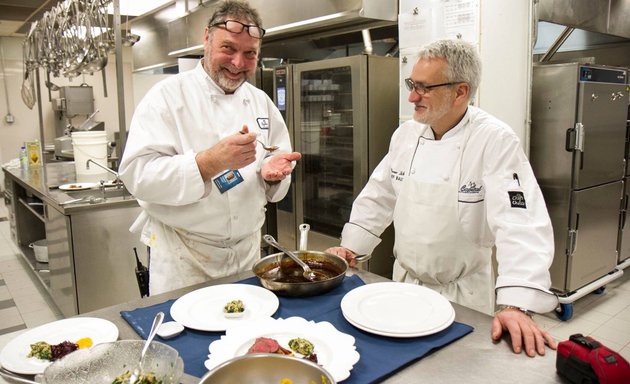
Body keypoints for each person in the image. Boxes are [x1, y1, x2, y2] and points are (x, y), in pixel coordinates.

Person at [326, 38, 558, 357]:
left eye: (424, 88)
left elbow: (521, 222)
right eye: (412, 84)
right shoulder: (406, 135)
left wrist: (516, 305)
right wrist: (351, 246)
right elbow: (380, 194)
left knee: (457, 368)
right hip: (404, 285)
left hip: (464, 296)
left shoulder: (494, 140)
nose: (412, 96)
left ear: (460, 91)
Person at [118, 0, 301, 295]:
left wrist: (272, 176)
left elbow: (278, 159)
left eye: (250, 54)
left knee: (243, 337)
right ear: (206, 38)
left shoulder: (261, 102)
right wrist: (208, 163)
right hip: (185, 259)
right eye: (228, 48)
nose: (238, 63)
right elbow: (137, 176)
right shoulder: (166, 97)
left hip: (246, 255)